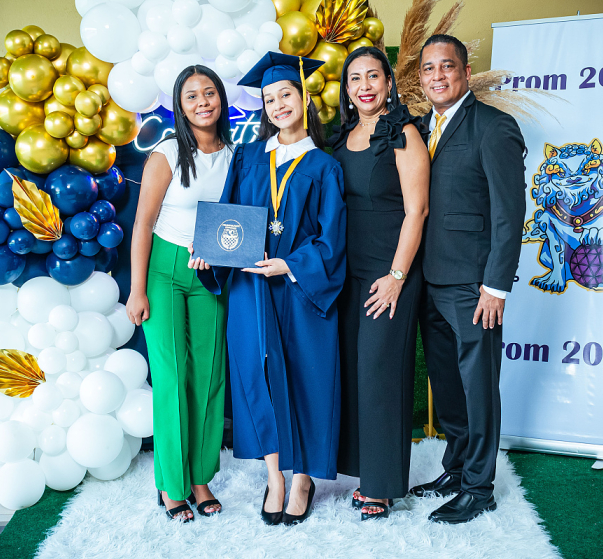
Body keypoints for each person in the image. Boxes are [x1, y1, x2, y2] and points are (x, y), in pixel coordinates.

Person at [190, 52, 347, 526]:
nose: (278, 105)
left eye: (286, 95)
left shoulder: (325, 166)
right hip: (251, 288)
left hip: (300, 290)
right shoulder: (249, 157)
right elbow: (229, 217)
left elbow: (333, 238)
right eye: (269, 99)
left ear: (304, 98)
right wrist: (210, 250)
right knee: (257, 380)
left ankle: (303, 479)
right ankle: (275, 477)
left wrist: (291, 265)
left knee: (306, 379)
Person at [409, 34, 526, 524]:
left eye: (447, 66)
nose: (437, 76)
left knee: (478, 386)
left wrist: (495, 287)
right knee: (447, 384)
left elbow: (509, 213)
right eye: (429, 68)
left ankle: (479, 488)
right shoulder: (419, 128)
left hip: (474, 285)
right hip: (429, 279)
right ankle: (456, 469)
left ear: (466, 71)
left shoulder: (494, 127)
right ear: (420, 77)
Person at [126, 65, 233, 523]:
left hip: (209, 273)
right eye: (192, 96)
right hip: (164, 271)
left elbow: (234, 220)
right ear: (180, 105)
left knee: (208, 376)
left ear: (221, 99)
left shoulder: (234, 155)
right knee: (171, 377)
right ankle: (171, 484)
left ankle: (200, 478)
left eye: (209, 93)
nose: (202, 102)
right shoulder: (167, 153)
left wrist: (219, 253)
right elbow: (143, 224)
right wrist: (137, 290)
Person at [330, 46, 429, 521]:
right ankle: (362, 470)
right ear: (346, 89)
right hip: (345, 274)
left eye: (373, 76)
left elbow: (417, 210)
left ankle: (383, 485)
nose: (364, 86)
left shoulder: (403, 133)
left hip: (390, 271)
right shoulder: (342, 136)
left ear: (388, 83)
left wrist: (396, 277)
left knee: (379, 372)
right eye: (355, 78)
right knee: (353, 371)